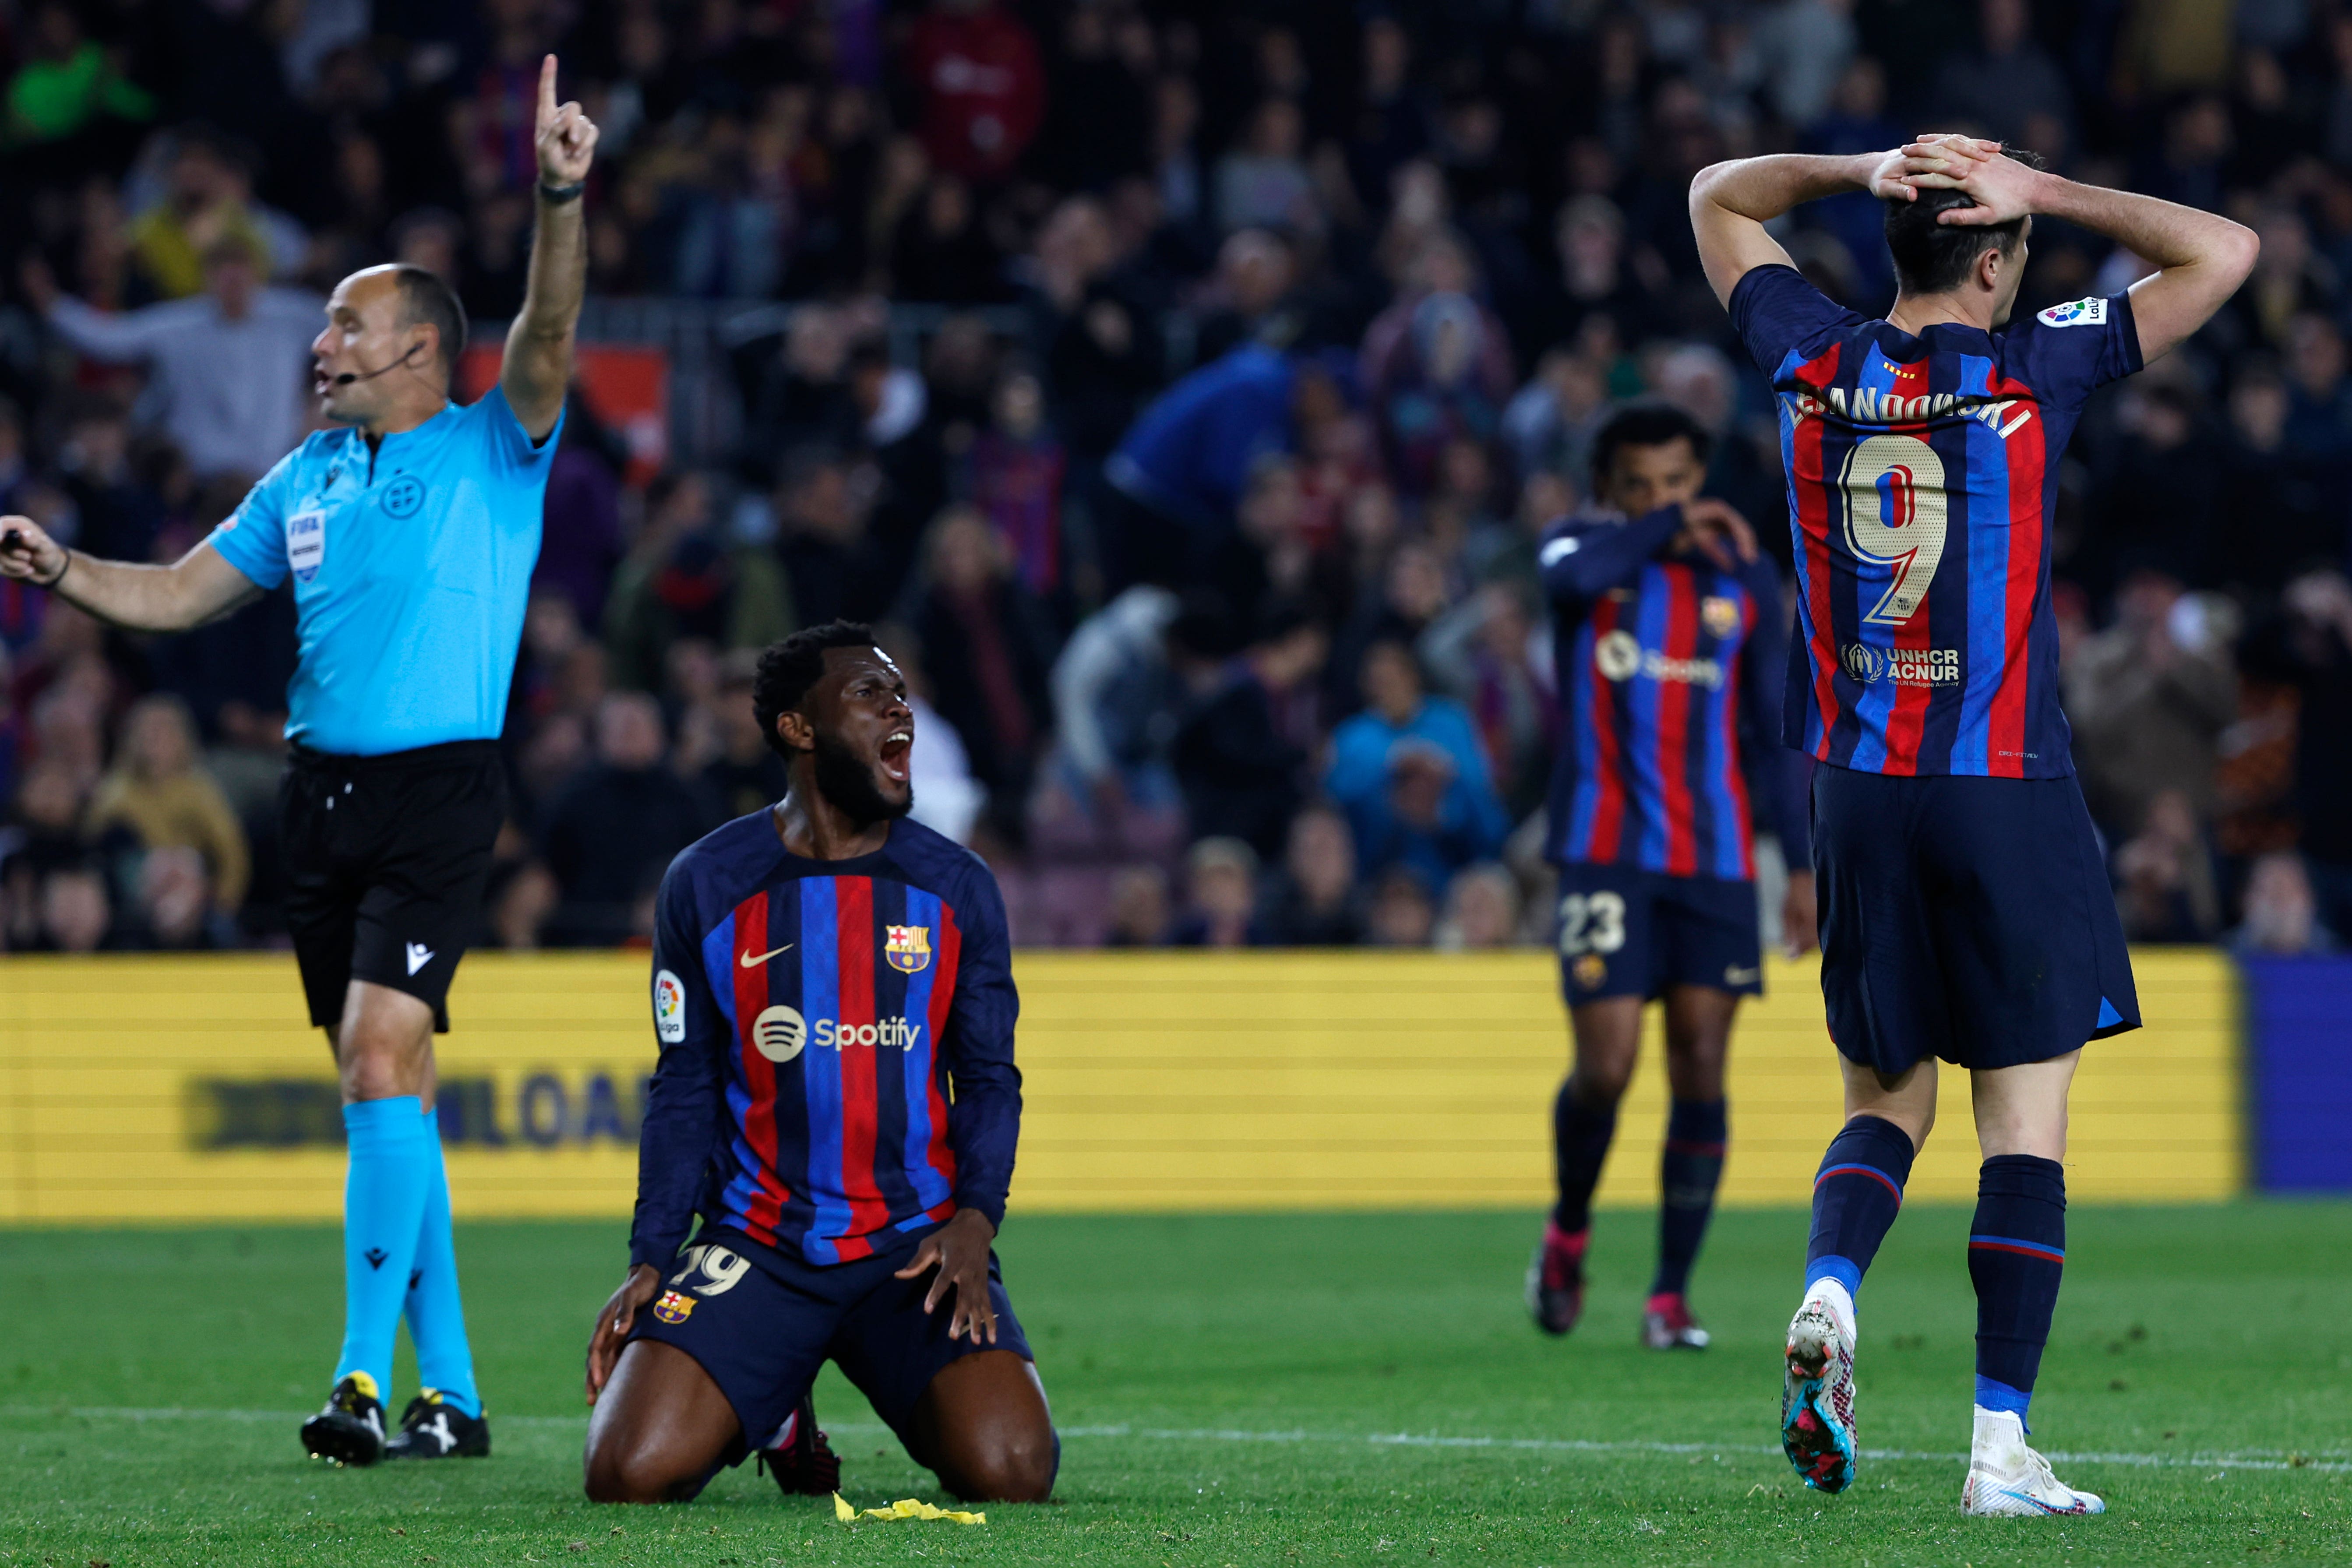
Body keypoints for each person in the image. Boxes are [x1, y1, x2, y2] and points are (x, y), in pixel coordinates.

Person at [0, 55, 602, 1466]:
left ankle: (356, 1377)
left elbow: (553, 322)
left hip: (439, 792)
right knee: (389, 1083)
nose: (319, 344)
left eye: (345, 325)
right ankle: (450, 1388)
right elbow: (180, 594)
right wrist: (63, 565)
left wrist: (560, 193)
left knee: (377, 1056)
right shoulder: (304, 478)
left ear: (417, 351)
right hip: (316, 803)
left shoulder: (491, 445)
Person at [1690, 133, 2255, 1513]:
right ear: (1995, 257)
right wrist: (2051, 187)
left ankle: (1830, 1288)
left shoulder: (1806, 353)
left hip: (1856, 787)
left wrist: (1860, 164)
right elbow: (2226, 252)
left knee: (1884, 1096)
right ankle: (1998, 1445)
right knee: (2023, 1118)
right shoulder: (2030, 366)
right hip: (2001, 780)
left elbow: (1715, 192)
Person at [580, 623, 1056, 1507]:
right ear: (799, 730)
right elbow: (682, 1084)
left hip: (911, 1247)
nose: (897, 706)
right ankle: (780, 1410)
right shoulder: (707, 882)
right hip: (760, 1244)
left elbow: (990, 1078)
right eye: (869, 693)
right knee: (626, 1473)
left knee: (1013, 1471)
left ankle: (786, 1382)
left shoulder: (956, 885)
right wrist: (653, 1255)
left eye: (900, 693)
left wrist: (976, 1222)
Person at [1525, 402, 1813, 1353]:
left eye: (1680, 484)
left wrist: (1802, 863)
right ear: (1609, 489)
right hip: (1604, 850)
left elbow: (1776, 733)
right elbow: (1580, 580)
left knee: (1699, 1058)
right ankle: (1569, 1228)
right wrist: (1662, 527)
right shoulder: (1580, 549)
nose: (1665, 501)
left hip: (1718, 856)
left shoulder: (1740, 577)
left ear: (1702, 477)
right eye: (1641, 487)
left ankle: (1669, 1296)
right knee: (1606, 1069)